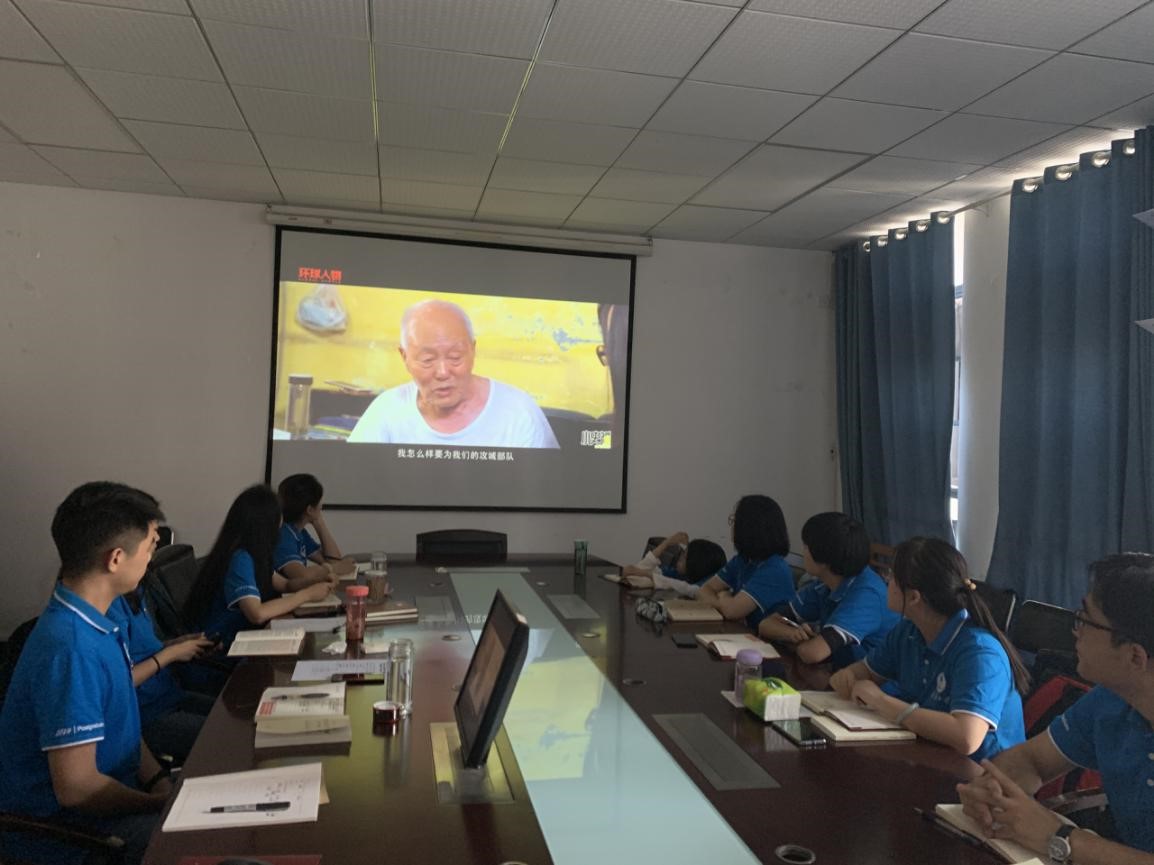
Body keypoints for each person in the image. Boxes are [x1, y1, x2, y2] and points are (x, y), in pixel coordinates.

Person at [0, 482, 172, 865]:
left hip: (114, 803)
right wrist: (157, 804)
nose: (151, 558)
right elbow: (77, 789)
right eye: (150, 547)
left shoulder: (99, 620)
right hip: (71, 837)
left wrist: (161, 782)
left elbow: (122, 723)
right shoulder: (70, 647)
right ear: (116, 559)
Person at [956, 553, 1154, 864]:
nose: (1075, 631)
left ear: (1135, 657)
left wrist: (1059, 837)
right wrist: (994, 791)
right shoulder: (1109, 701)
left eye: (1085, 620)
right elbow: (1033, 760)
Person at [829, 537, 1029, 761]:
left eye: (892, 577)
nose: (886, 581)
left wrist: (881, 702)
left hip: (983, 772)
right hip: (929, 755)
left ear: (914, 597)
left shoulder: (980, 652)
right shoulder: (908, 632)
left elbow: (966, 737)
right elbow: (867, 672)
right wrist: (850, 676)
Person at [347, 299, 560, 448]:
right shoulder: (387, 410)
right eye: (428, 360)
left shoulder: (519, 412)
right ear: (404, 357)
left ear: (473, 351)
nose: (443, 372)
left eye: (455, 357)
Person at [186, 484, 332, 651]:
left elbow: (285, 585)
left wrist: (316, 581)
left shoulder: (256, 553)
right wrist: (306, 595)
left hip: (244, 639)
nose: (282, 521)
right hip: (223, 649)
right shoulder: (240, 558)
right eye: (279, 516)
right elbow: (257, 614)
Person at [758, 512, 899, 669]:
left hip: (872, 681)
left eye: (806, 547)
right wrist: (791, 634)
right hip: (844, 675)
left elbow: (813, 654)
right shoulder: (825, 584)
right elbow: (766, 625)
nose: (803, 552)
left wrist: (797, 643)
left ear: (824, 558)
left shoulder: (867, 594)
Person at [107, 585, 216, 765]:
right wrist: (171, 653)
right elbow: (120, 681)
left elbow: (143, 650)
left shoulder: (135, 592)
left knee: (237, 719)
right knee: (226, 737)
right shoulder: (108, 607)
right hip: (149, 714)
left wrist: (177, 644)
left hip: (169, 694)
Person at [696, 495, 795, 628]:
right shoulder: (743, 559)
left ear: (750, 528)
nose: (732, 527)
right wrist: (724, 602)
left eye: (735, 521)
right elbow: (704, 590)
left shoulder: (775, 569)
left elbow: (731, 612)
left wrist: (723, 595)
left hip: (765, 639)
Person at [274, 473, 356, 590]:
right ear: (310, 510)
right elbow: (301, 575)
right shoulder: (284, 535)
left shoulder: (299, 531)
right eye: (319, 502)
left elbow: (332, 559)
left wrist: (319, 523)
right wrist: (335, 569)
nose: (321, 506)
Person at [619, 532, 728, 597]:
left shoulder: (711, 580)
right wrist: (666, 543)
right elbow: (637, 570)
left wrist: (646, 574)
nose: (679, 558)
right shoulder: (681, 573)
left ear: (696, 563)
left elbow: (692, 590)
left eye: (684, 556)